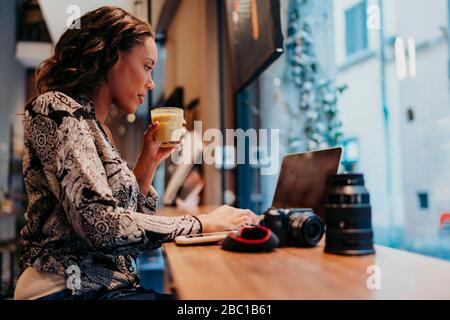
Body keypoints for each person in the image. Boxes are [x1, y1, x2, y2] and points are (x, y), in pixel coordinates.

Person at [14, 6, 259, 300]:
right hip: (63, 289)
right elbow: (102, 226)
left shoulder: (95, 127)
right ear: (112, 56)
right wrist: (203, 223)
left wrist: (148, 162)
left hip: (105, 290)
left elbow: (127, 225)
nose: (151, 82)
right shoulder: (54, 107)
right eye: (147, 66)